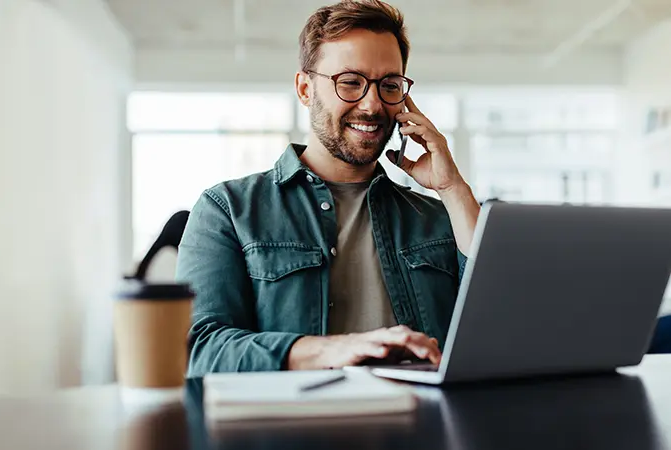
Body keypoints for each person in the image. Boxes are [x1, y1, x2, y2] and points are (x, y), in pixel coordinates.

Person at [176, 0, 480, 376]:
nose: (372, 105)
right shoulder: (228, 210)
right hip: (293, 430)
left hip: (423, 428)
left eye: (389, 85)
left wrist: (453, 188)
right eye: (350, 82)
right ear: (305, 88)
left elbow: (501, 327)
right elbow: (197, 349)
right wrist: (337, 349)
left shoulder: (437, 217)